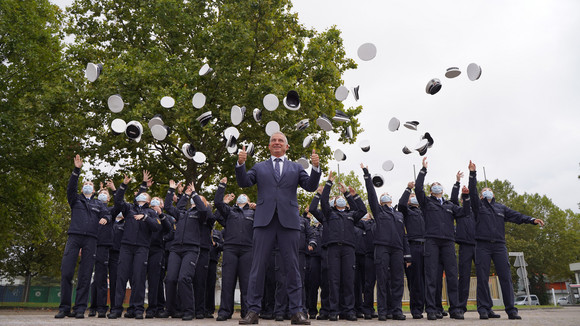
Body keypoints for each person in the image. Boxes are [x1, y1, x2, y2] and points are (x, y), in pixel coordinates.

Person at [235, 131, 321, 325]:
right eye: (273, 140)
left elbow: (309, 186)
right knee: (257, 267)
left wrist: (315, 168)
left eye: (280, 140)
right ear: (268, 146)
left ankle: (297, 311)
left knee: (292, 268)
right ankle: (253, 311)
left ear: (287, 146)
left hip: (289, 222)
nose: (276, 143)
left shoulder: (295, 167)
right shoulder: (259, 167)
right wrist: (241, 165)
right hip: (264, 221)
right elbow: (244, 182)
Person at [467, 161, 544, 320]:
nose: (487, 191)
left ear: (493, 194)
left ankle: (511, 310)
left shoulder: (501, 208)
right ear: (481, 196)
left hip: (500, 246)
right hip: (482, 245)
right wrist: (473, 174)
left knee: (506, 277)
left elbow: (517, 216)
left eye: (490, 190)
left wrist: (531, 219)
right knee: (482, 277)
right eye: (484, 190)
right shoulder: (477, 206)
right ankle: (484, 309)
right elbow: (472, 192)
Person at [55, 155, 111, 319]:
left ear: (94, 191)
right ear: (82, 189)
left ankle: (79, 308)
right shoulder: (75, 200)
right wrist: (76, 170)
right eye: (85, 184)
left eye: (90, 185)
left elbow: (108, 214)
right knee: (66, 272)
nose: (87, 186)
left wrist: (106, 218)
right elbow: (70, 188)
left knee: (85, 275)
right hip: (74, 237)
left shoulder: (98, 204)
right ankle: (64, 308)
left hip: (91, 240)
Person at [415, 157, 469, 320]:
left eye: (439, 185)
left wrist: (465, 198)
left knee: (452, 276)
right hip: (431, 241)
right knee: (431, 276)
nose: (436, 186)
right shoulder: (426, 203)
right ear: (431, 191)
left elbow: (464, 213)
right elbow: (418, 189)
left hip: (448, 242)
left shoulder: (449, 205)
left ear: (442, 190)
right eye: (433, 186)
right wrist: (423, 170)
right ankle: (431, 309)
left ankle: (455, 309)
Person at [107, 173, 162, 319]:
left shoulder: (151, 212)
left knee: (138, 278)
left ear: (149, 201)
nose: (141, 196)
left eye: (144, 195)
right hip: (126, 247)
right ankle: (116, 309)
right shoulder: (129, 208)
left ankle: (138, 309)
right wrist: (123, 185)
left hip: (142, 248)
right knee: (121, 277)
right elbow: (118, 200)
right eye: (140, 195)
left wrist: (145, 218)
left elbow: (157, 227)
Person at [314, 172, 367, 321]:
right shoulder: (329, 214)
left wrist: (349, 194)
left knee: (348, 280)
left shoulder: (351, 215)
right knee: (333, 280)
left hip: (349, 249)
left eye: (342, 199)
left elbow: (362, 210)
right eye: (338, 199)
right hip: (333, 249)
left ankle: (349, 311)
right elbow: (324, 202)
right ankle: (333, 311)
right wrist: (329, 183)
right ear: (335, 204)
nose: (341, 200)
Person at [361, 164, 410, 321]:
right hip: (381, 248)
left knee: (397, 280)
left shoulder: (399, 215)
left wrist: (407, 255)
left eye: (388, 195)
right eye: (384, 195)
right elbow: (371, 195)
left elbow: (403, 236)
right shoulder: (378, 210)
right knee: (382, 280)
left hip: (397, 249)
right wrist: (367, 175)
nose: (386, 196)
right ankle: (382, 311)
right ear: (382, 201)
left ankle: (396, 310)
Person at [158, 180, 210, 320]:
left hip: (191, 249)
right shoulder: (182, 213)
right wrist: (172, 190)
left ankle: (188, 311)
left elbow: (204, 209)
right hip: (176, 249)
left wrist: (194, 193)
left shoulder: (200, 214)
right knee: (170, 279)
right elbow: (169, 207)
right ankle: (170, 310)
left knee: (184, 278)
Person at [214, 178, 256, 321]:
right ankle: (225, 311)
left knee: (246, 283)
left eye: (245, 196)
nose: (242, 196)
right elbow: (218, 204)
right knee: (228, 281)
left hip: (248, 250)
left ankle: (247, 312)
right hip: (230, 249)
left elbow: (266, 219)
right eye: (240, 196)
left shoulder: (253, 213)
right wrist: (222, 186)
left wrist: (257, 208)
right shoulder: (230, 211)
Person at [449, 172, 477, 315]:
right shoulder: (459, 211)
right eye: (464, 198)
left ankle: (486, 307)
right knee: (464, 277)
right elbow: (453, 199)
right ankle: (460, 307)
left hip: (479, 246)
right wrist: (457, 182)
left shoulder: (478, 211)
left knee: (483, 277)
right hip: (465, 246)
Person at [398, 181, 425, 319]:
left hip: (428, 247)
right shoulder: (406, 211)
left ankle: (434, 307)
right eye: (411, 196)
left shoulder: (424, 211)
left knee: (430, 279)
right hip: (412, 247)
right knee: (415, 280)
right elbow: (401, 204)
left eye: (415, 196)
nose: (413, 198)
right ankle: (416, 309)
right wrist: (408, 188)